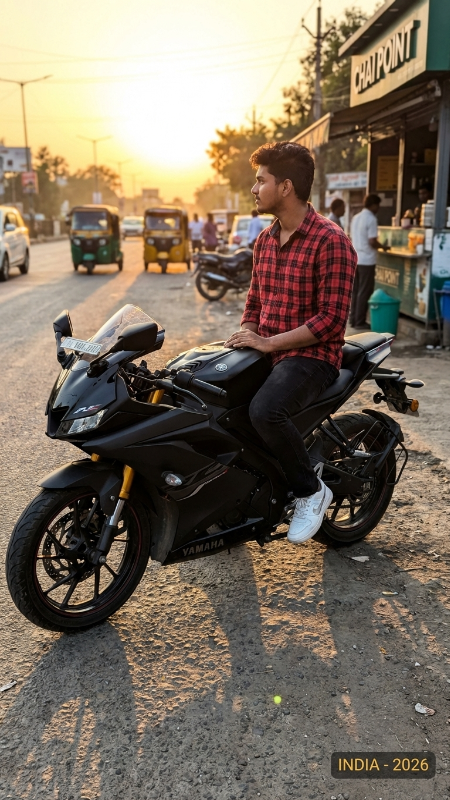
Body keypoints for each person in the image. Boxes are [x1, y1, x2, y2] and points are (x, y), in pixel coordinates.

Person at [224, 141, 357, 544]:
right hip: (269, 349)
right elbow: (255, 301)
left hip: (312, 356)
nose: (254, 189)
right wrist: (248, 336)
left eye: (260, 181)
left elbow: (332, 319)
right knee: (212, 398)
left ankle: (310, 491)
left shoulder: (330, 240)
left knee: (265, 411)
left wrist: (269, 343)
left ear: (285, 187)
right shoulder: (264, 240)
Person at [349, 194, 388, 330]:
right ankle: (359, 321)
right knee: (364, 291)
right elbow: (372, 241)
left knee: (356, 291)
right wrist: (384, 247)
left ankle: (353, 319)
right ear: (373, 205)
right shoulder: (371, 218)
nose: (378, 208)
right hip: (367, 260)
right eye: (378, 205)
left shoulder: (356, 217)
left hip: (356, 258)